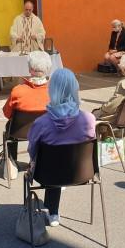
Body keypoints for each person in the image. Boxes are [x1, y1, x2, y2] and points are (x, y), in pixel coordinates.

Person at [28, 69, 96, 227]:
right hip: (82, 173)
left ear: (51, 90)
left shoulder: (41, 123)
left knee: (53, 163)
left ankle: (52, 212)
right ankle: (53, 212)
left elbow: (32, 151)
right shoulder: (89, 119)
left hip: (47, 175)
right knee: (60, 161)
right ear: (75, 88)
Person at [2, 51, 52, 180]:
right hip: (46, 132)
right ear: (48, 69)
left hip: (19, 132)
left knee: (9, 129)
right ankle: (40, 160)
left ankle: (11, 163)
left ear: (30, 69)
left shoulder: (18, 90)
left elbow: (7, 114)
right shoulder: (54, 91)